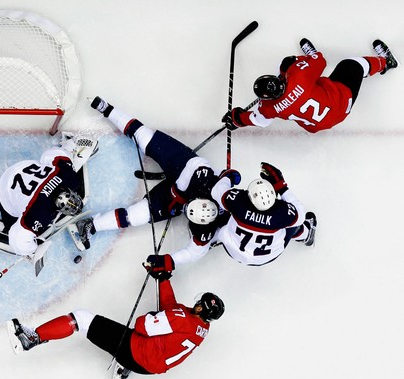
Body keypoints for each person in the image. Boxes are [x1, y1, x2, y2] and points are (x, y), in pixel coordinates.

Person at [75, 96, 233, 265]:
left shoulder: (206, 231)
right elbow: (232, 175)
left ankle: (92, 225)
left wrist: (168, 261)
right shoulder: (219, 190)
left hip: (178, 199)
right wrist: (179, 195)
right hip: (185, 168)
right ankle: (107, 108)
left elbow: (194, 253)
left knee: (136, 216)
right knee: (144, 138)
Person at [7, 264, 224, 379]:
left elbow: (142, 326)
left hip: (135, 352)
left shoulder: (182, 318)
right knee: (152, 340)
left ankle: (32, 338)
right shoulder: (202, 327)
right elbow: (172, 311)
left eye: (198, 303)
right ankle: (124, 368)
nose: (195, 304)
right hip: (150, 368)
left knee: (81, 319)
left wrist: (151, 316)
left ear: (200, 308)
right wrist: (163, 278)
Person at [145, 162, 317, 270]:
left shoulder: (239, 203)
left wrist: (227, 177)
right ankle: (306, 235)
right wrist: (281, 186)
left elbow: (218, 190)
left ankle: (216, 239)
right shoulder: (281, 212)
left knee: (224, 226)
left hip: (233, 250)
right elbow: (299, 213)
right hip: (267, 256)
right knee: (294, 225)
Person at [0, 133, 98, 257]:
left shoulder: (69, 178)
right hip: (6, 191)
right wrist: (33, 249)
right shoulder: (38, 213)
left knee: (66, 169)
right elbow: (18, 240)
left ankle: (69, 143)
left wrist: (67, 153)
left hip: (24, 168)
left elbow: (50, 154)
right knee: (31, 233)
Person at [222, 38, 398, 133]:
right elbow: (321, 61)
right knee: (351, 65)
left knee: (304, 77)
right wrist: (296, 64)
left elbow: (258, 121)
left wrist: (238, 119)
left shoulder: (268, 108)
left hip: (315, 126)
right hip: (340, 103)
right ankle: (387, 62)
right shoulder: (299, 77)